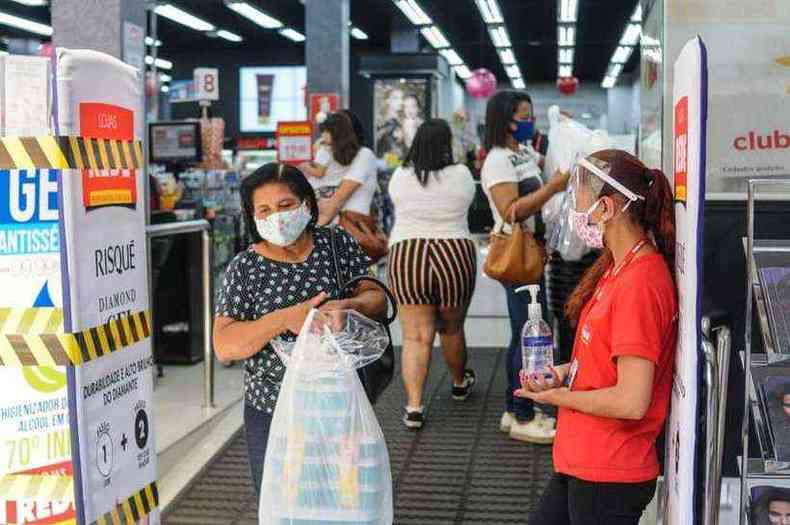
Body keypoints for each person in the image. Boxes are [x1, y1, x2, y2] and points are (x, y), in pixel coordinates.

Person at [518, 149, 677, 525]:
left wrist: (560, 397)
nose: (574, 213)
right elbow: (607, 357)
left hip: (610, 470)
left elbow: (631, 400)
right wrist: (561, 372)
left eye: (579, 202)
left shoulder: (640, 282)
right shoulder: (617, 267)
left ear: (606, 208)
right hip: (585, 457)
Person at [212, 162, 386, 497]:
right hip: (274, 410)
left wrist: (351, 307)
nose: (275, 217)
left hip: (340, 405)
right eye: (263, 209)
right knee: (284, 503)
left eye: (285, 205)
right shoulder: (245, 268)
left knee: (345, 500)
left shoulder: (337, 244)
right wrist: (285, 318)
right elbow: (225, 345)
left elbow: (376, 297)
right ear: (252, 216)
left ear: (306, 203)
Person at [480, 89, 570, 444]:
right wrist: (552, 188)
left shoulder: (523, 153)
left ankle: (512, 407)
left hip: (533, 253)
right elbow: (511, 210)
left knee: (524, 331)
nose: (528, 121)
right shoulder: (498, 160)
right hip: (518, 258)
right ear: (505, 119)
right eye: (523, 115)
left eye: (531, 114)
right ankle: (524, 414)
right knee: (531, 333)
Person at [387, 119, 477, 429]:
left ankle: (414, 407)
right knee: (451, 328)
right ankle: (458, 382)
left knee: (414, 336)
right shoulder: (462, 174)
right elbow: (467, 204)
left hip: (407, 253)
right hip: (454, 251)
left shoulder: (400, 176)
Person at [315, 111, 386, 263]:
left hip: (350, 229)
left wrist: (313, 232)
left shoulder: (364, 155)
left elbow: (338, 200)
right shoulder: (334, 160)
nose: (325, 146)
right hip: (335, 231)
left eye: (328, 142)